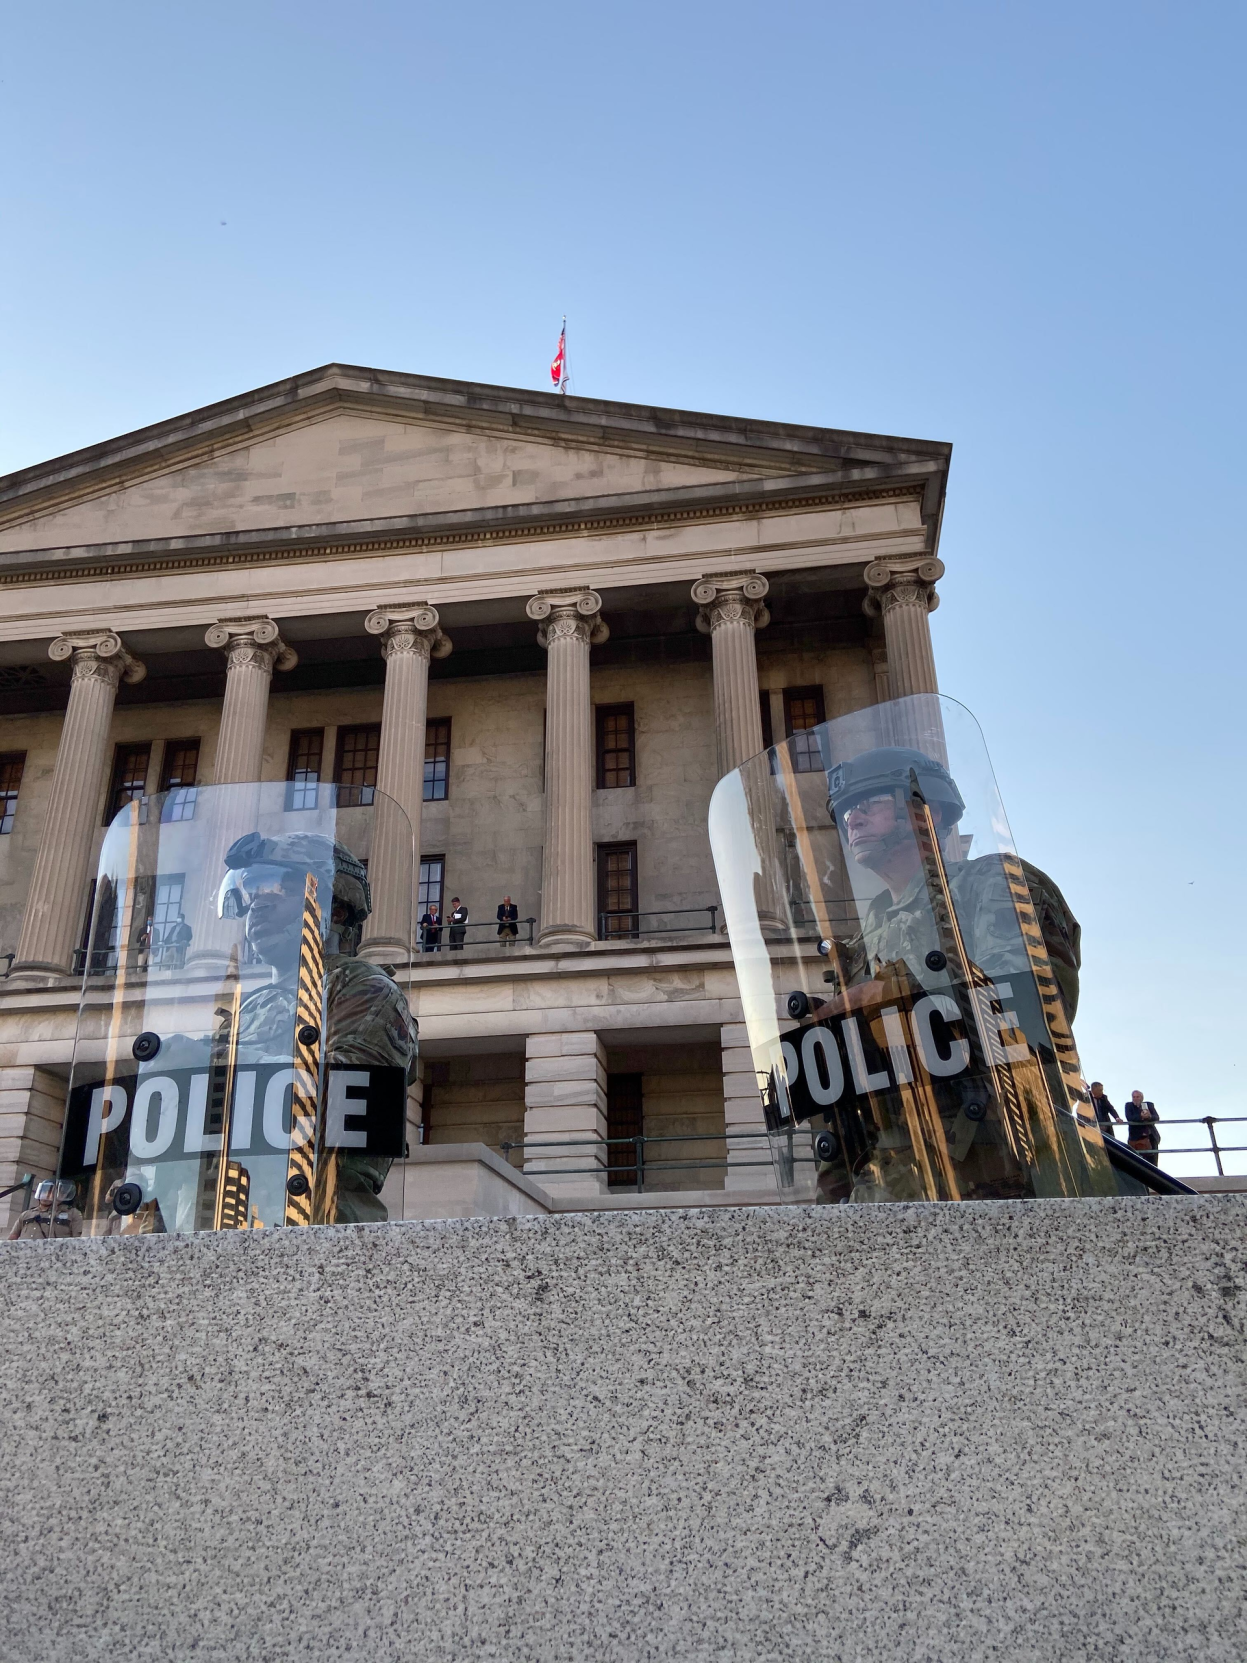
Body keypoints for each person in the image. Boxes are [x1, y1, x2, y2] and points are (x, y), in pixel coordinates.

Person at [808, 746, 1083, 1203]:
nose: (853, 819)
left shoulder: (994, 884)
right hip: (887, 1187)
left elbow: (1029, 1018)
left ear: (926, 812)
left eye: (870, 802)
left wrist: (887, 999)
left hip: (1004, 1173)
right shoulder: (860, 942)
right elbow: (855, 1098)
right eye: (847, 810)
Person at [219, 831, 420, 1224]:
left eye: (279, 887)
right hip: (226, 1212)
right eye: (253, 889)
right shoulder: (248, 1006)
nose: (259, 902)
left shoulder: (364, 987)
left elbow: (341, 1095)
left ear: (335, 910)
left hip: (319, 1210)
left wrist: (221, 1064)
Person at [8, 1179, 83, 1240]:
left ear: (62, 1195)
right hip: (26, 1252)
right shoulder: (26, 1214)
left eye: (52, 1192)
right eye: (44, 1191)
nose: (46, 1195)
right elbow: (12, 1239)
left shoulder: (72, 1214)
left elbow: (76, 1241)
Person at [1126, 1089, 1160, 1164]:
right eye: (1134, 1097)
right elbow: (1130, 1117)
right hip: (1136, 1138)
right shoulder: (1129, 1105)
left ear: (1142, 1098)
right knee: (1136, 1161)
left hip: (1150, 1137)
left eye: (1137, 1097)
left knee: (1153, 1162)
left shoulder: (1149, 1105)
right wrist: (1141, 1116)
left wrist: (1149, 1116)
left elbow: (1156, 1117)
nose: (1135, 1099)